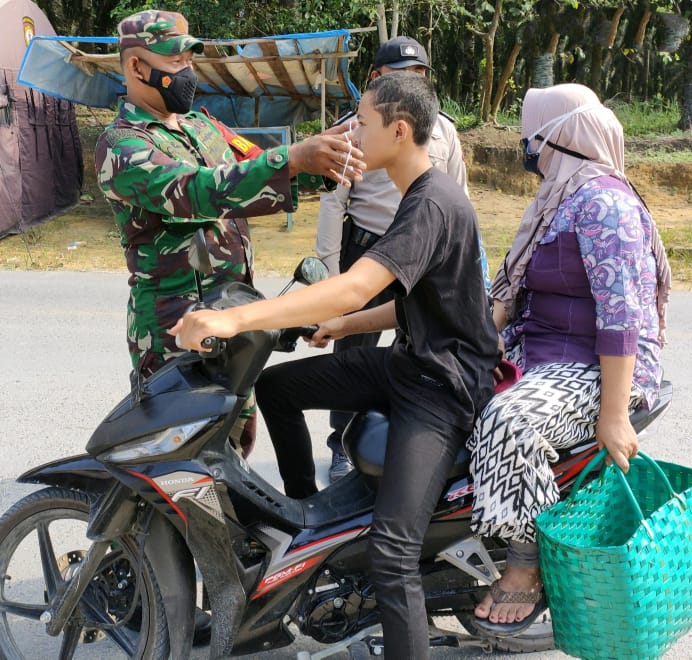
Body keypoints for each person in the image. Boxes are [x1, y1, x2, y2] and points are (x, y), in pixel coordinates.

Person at [172, 72, 499, 660]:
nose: (350, 133)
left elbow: (355, 286)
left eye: (363, 123)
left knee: (392, 554)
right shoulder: (418, 193)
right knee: (277, 387)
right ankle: (312, 534)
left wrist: (235, 321)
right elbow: (414, 301)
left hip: (440, 390)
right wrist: (345, 328)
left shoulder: (431, 201)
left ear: (399, 132)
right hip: (408, 365)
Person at [96, 9, 363, 457]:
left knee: (233, 446)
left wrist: (328, 158)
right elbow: (193, 191)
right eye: (175, 61)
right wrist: (293, 159)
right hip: (174, 330)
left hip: (236, 318)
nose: (188, 72)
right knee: (179, 458)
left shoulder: (204, 127)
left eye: (189, 60)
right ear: (137, 67)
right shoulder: (121, 144)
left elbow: (252, 168)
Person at [467, 83, 672, 636]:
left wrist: (613, 413)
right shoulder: (556, 199)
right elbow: (508, 295)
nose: (525, 147)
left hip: (592, 369)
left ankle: (525, 564)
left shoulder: (606, 204)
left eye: (531, 137)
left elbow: (623, 315)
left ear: (557, 138)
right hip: (540, 356)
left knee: (507, 421)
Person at [314, 35, 473, 483]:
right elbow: (332, 203)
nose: (409, 83)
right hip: (367, 252)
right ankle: (342, 443)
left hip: (422, 257)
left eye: (417, 75)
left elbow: (458, 195)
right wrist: (330, 273)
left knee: (415, 350)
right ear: (376, 78)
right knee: (352, 353)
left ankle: (395, 443)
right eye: (398, 75)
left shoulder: (444, 130)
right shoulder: (354, 129)